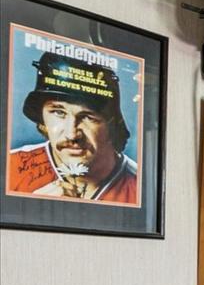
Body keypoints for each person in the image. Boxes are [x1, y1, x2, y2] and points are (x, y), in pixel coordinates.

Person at [6, 50, 141, 203]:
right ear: (42, 117)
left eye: (88, 117)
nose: (72, 134)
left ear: (112, 123)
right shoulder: (9, 167)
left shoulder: (142, 188)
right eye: (58, 112)